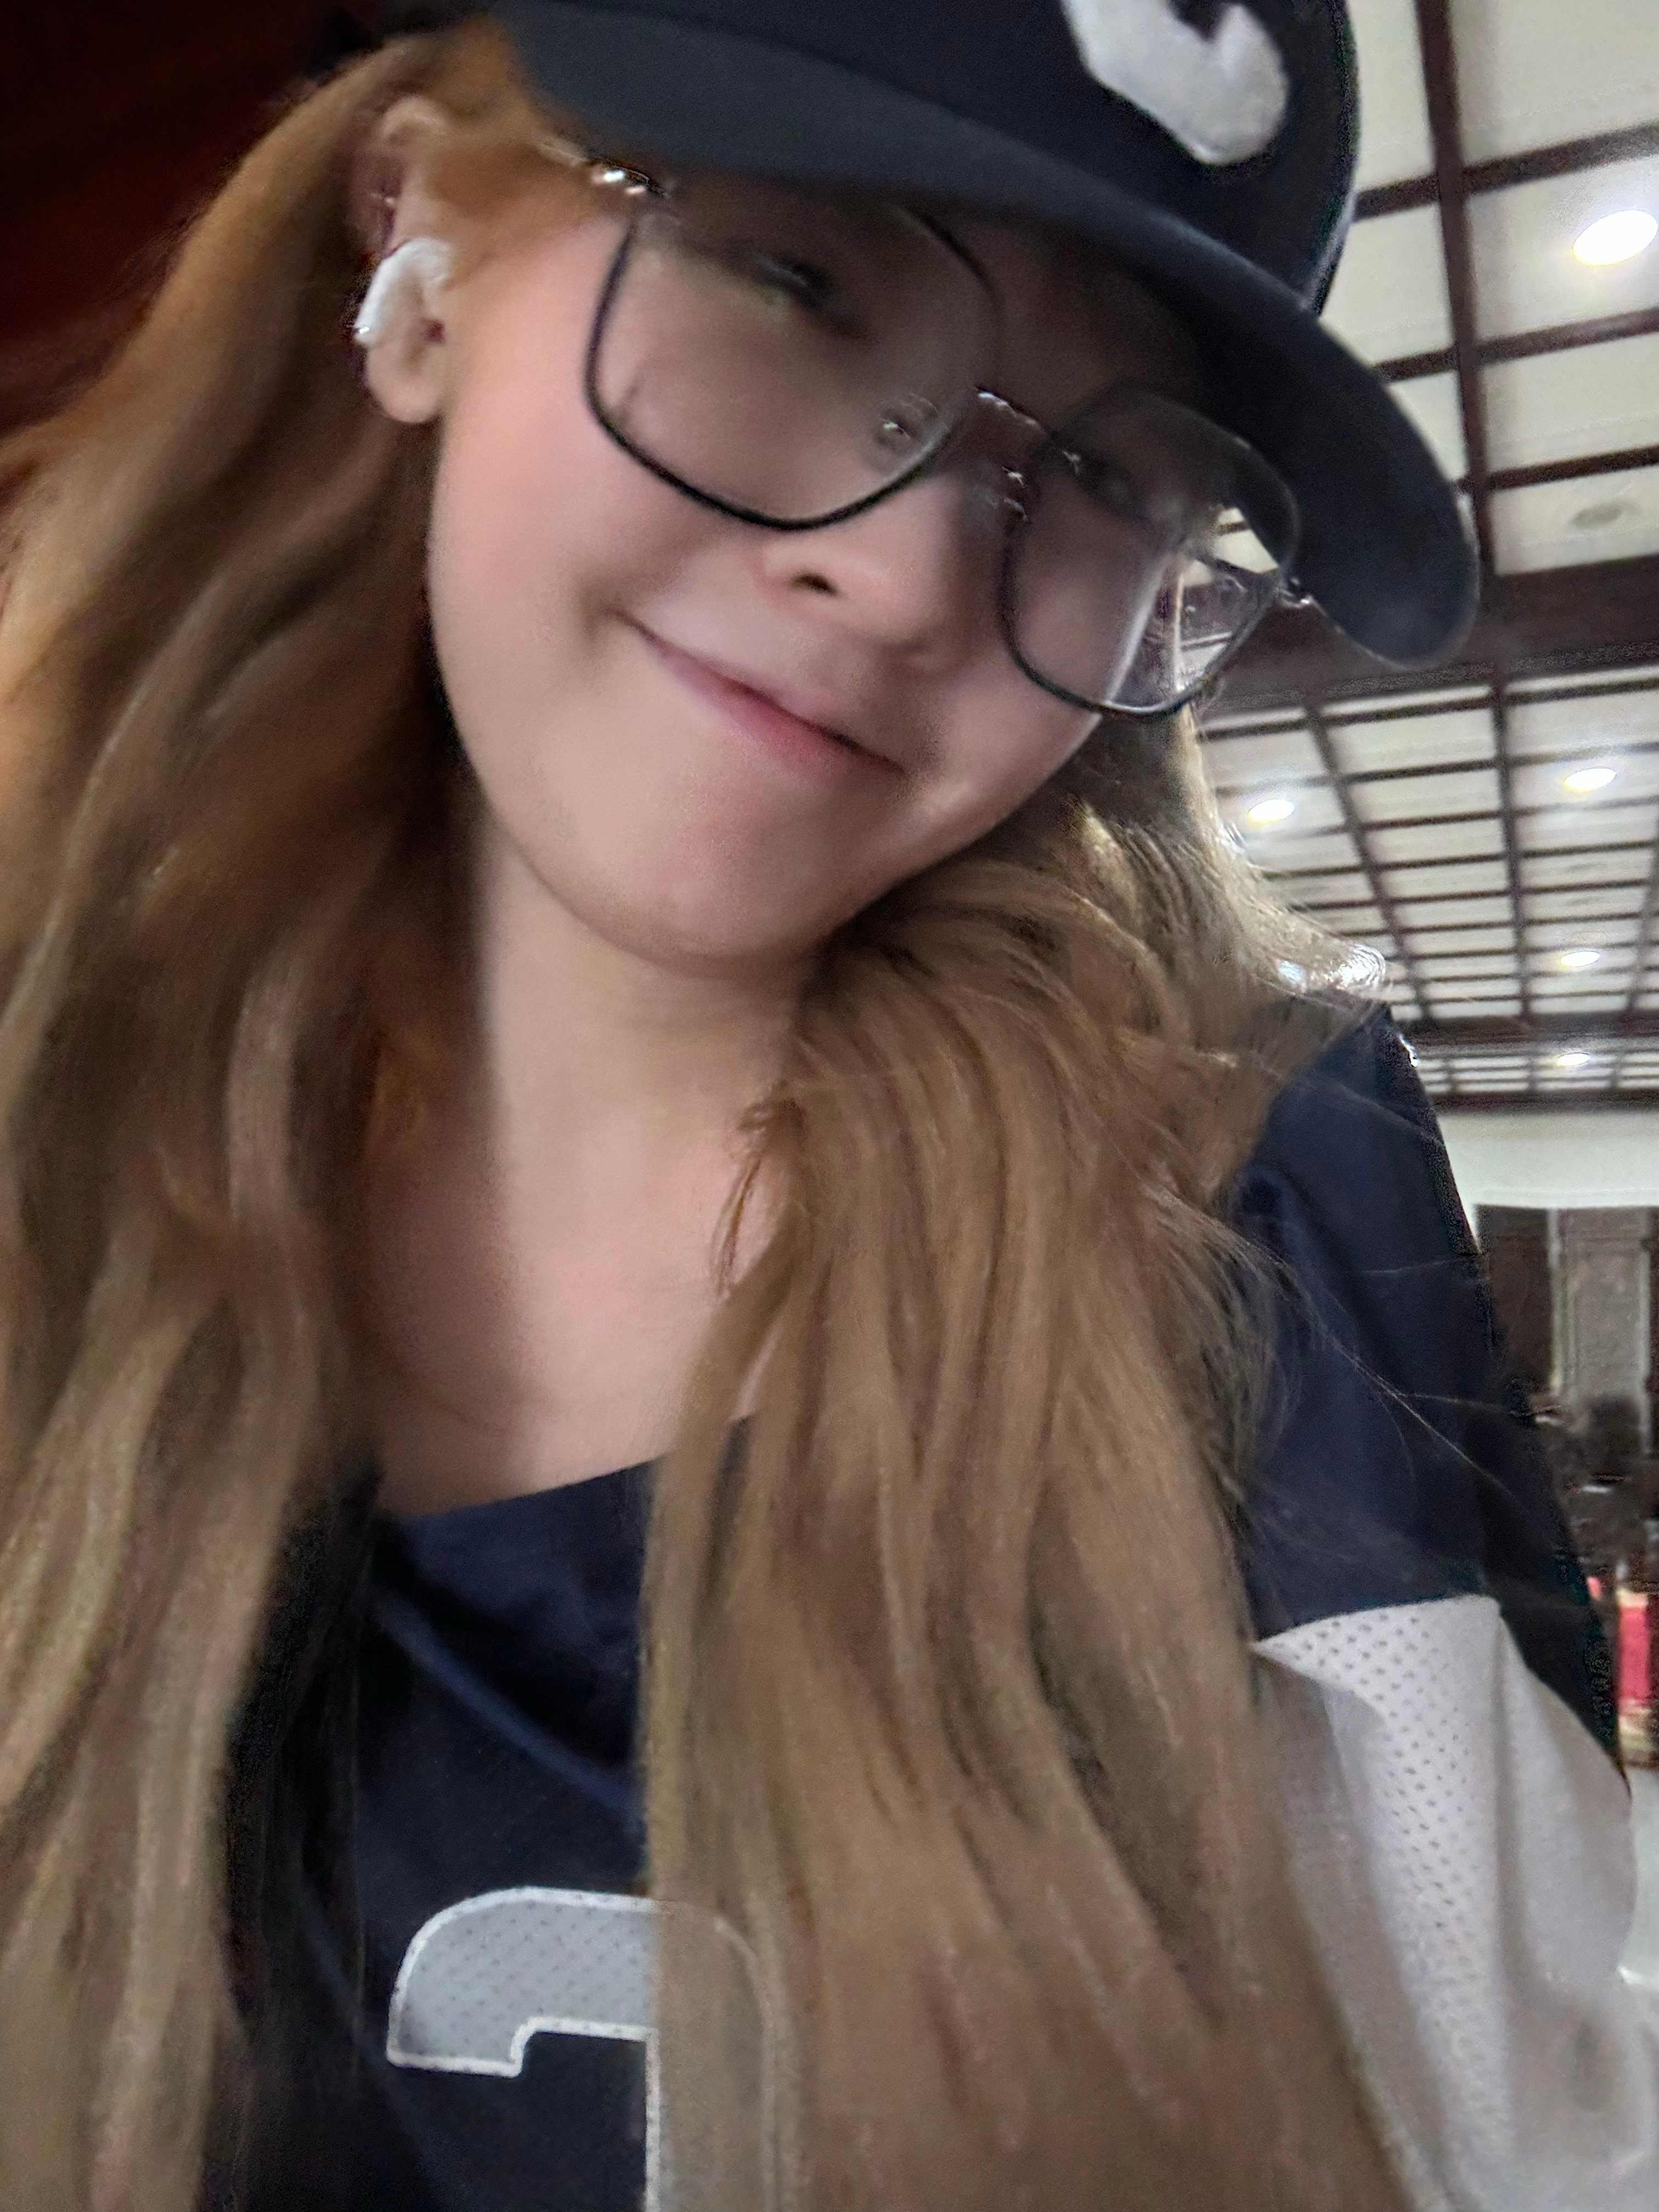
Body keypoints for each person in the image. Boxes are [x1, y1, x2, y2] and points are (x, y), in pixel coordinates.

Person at [0, 4, 1651, 2209]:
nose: (900, 580)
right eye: (796, 277)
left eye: (1116, 477)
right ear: (419, 243)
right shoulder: (49, 1109)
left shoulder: (1245, 1223)